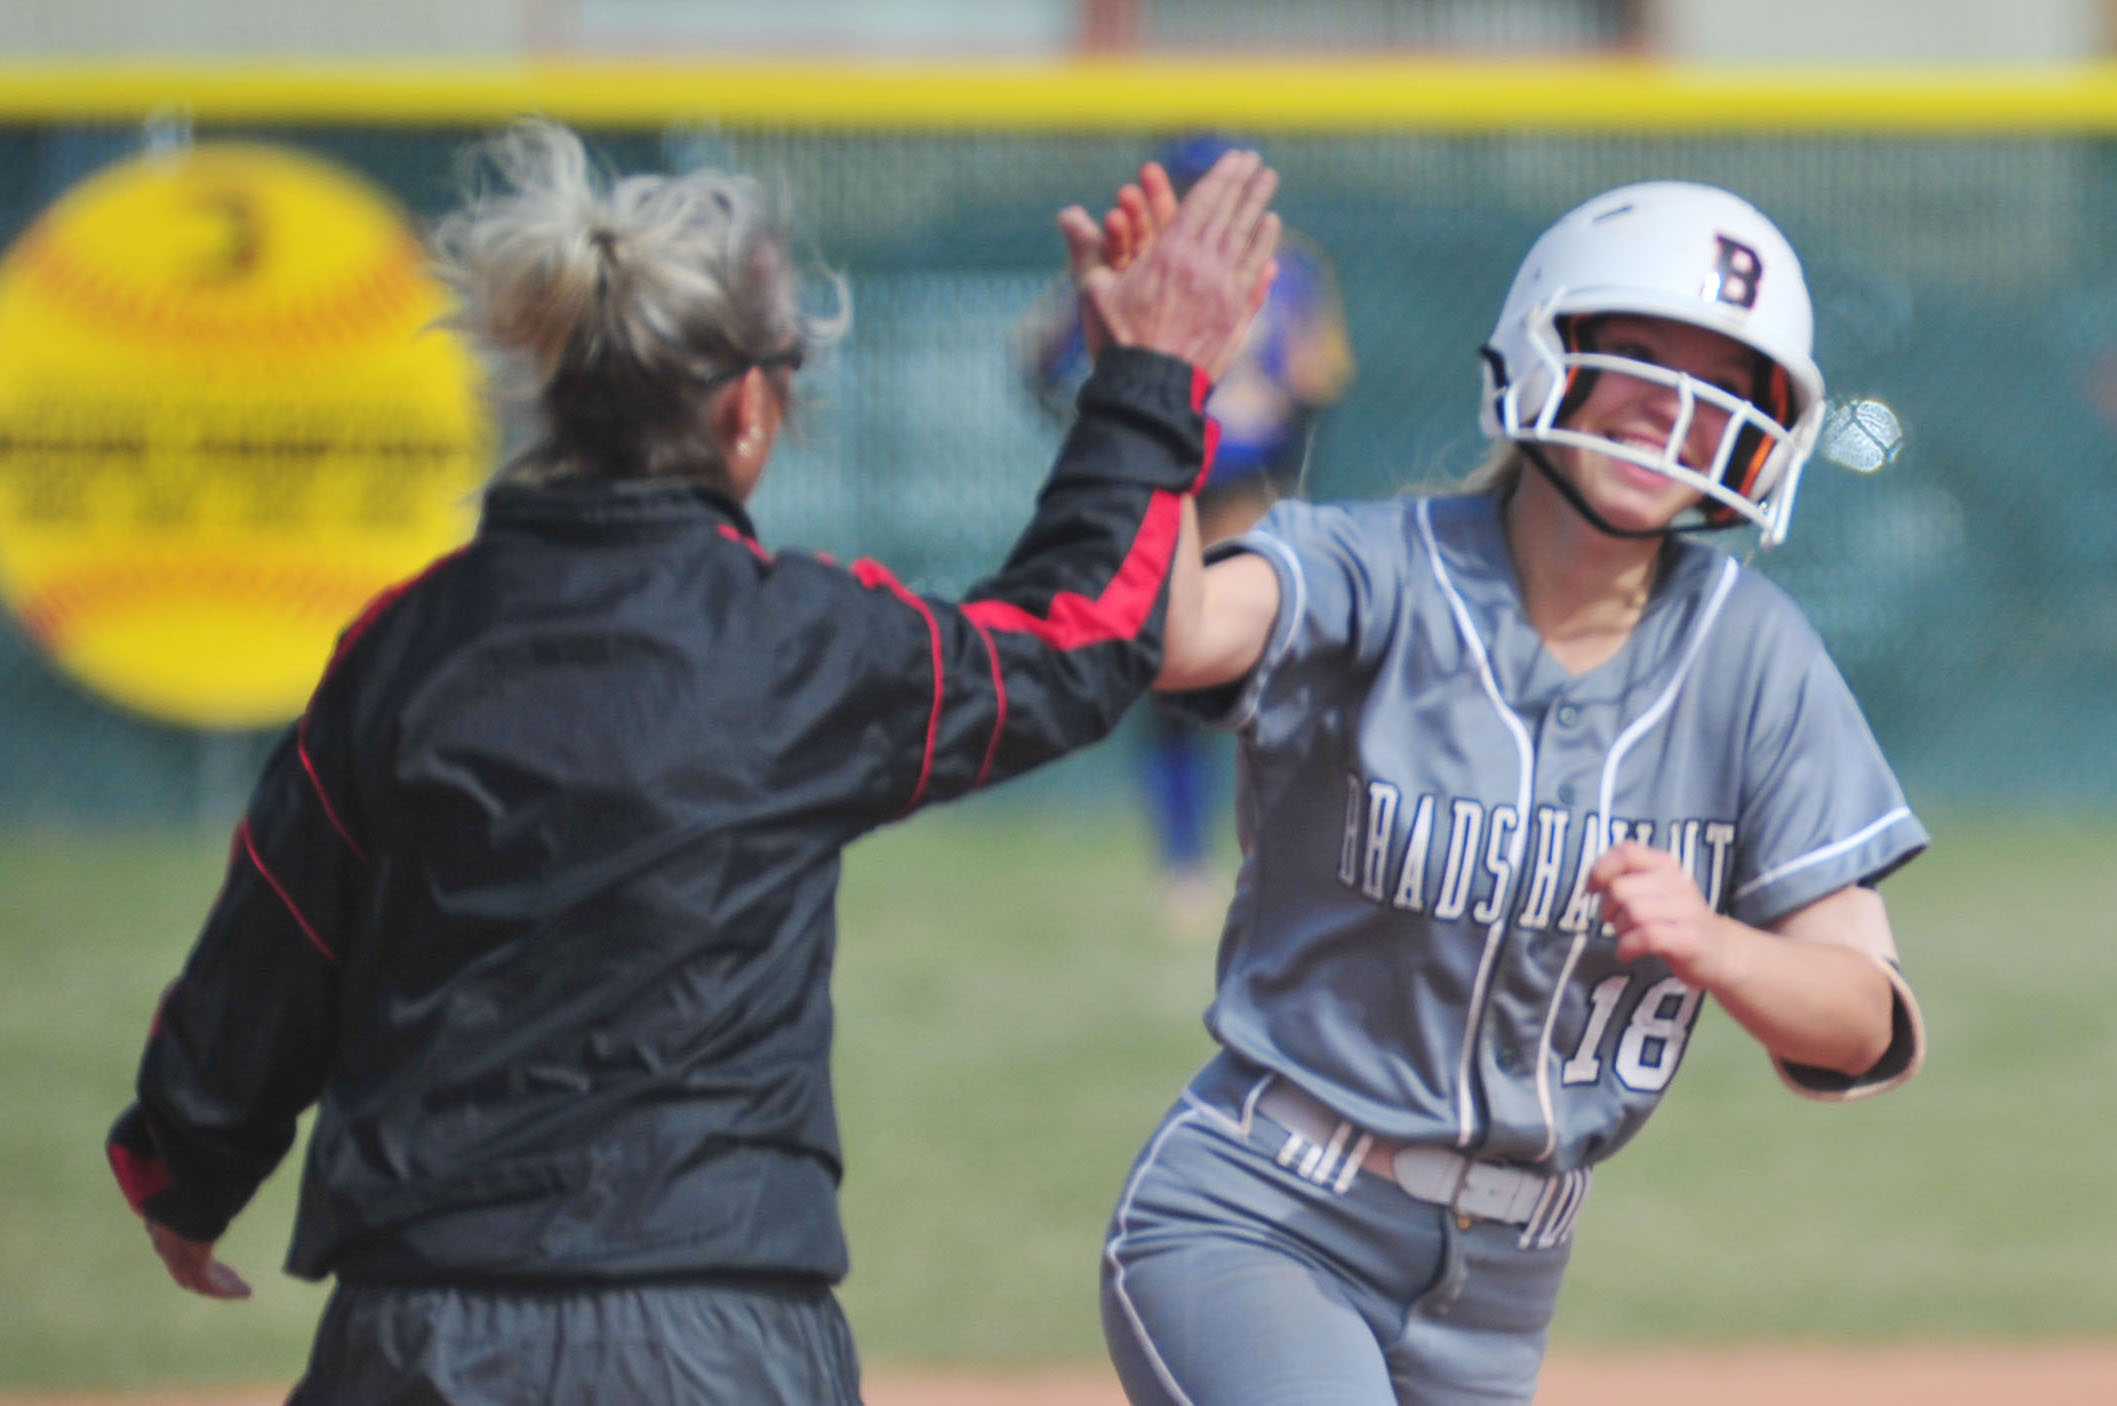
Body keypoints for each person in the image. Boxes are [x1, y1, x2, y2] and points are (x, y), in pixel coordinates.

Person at [102, 119, 1280, 1404]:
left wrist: (187, 1167)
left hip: (424, 1325)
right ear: (743, 410)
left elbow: (275, 939)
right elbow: (1079, 633)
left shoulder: (403, 646)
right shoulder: (803, 640)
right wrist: (1149, 380)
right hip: (710, 1331)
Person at [1096, 178, 1929, 1404]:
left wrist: (1713, 943)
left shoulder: (1754, 655)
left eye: (1718, 381)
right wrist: (1151, 393)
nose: (1671, 407)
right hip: (1262, 1214)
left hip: (1498, 1293)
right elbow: (1175, 636)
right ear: (1548, 351)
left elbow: (1865, 1021)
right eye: (1637, 355)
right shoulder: (1372, 569)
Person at [1018, 132, 1355, 935]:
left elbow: (1321, 377)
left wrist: (1276, 400)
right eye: (1194, 186)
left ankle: (1284, 852)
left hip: (1246, 489)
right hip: (1162, 494)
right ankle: (1184, 866)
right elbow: (1043, 361)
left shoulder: (1289, 267)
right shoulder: (1136, 262)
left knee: (1278, 681)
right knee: (1170, 682)